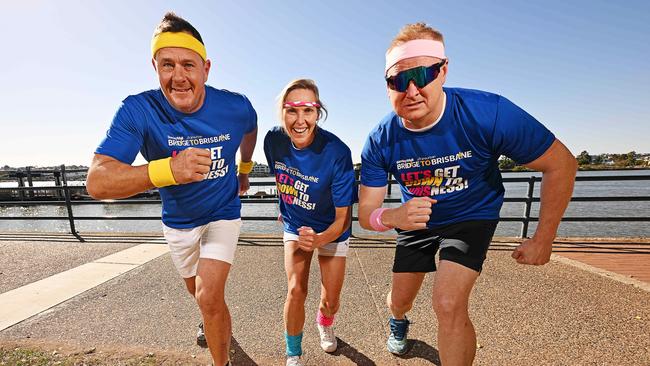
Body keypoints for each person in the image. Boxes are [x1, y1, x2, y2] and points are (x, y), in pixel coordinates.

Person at [358, 23, 577, 365]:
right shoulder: (380, 139)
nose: (412, 90)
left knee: (447, 303)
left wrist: (543, 239)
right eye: (399, 80)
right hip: (415, 220)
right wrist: (392, 217)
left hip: (471, 216)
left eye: (423, 74)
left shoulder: (489, 113)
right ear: (387, 86)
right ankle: (398, 321)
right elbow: (366, 215)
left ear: (443, 71)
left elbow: (561, 163)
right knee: (398, 299)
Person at [86, 12, 257, 366]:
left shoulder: (235, 106)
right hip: (178, 222)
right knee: (200, 295)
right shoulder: (138, 110)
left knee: (210, 296)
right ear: (155, 67)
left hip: (223, 213)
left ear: (206, 68)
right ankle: (213, 320)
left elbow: (250, 128)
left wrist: (244, 169)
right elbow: (97, 181)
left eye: (188, 65)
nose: (178, 76)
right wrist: (168, 170)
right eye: (167, 65)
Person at [263, 79, 356, 366]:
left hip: (332, 229)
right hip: (296, 224)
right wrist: (286, 208)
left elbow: (343, 218)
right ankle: (293, 354)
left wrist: (319, 239)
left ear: (318, 112)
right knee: (295, 289)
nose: (300, 120)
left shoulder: (337, 153)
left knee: (331, 299)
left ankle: (324, 322)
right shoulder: (273, 141)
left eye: (308, 110)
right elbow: (283, 179)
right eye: (292, 111)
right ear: (282, 113)